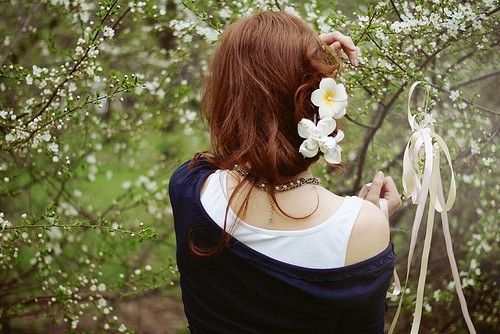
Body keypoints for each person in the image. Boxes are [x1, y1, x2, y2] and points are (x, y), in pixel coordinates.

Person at [169, 11, 402, 334]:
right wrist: (303, 69)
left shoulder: (189, 187)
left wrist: (288, 71)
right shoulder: (362, 227)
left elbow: (238, 152)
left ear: (227, 100)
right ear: (315, 102)